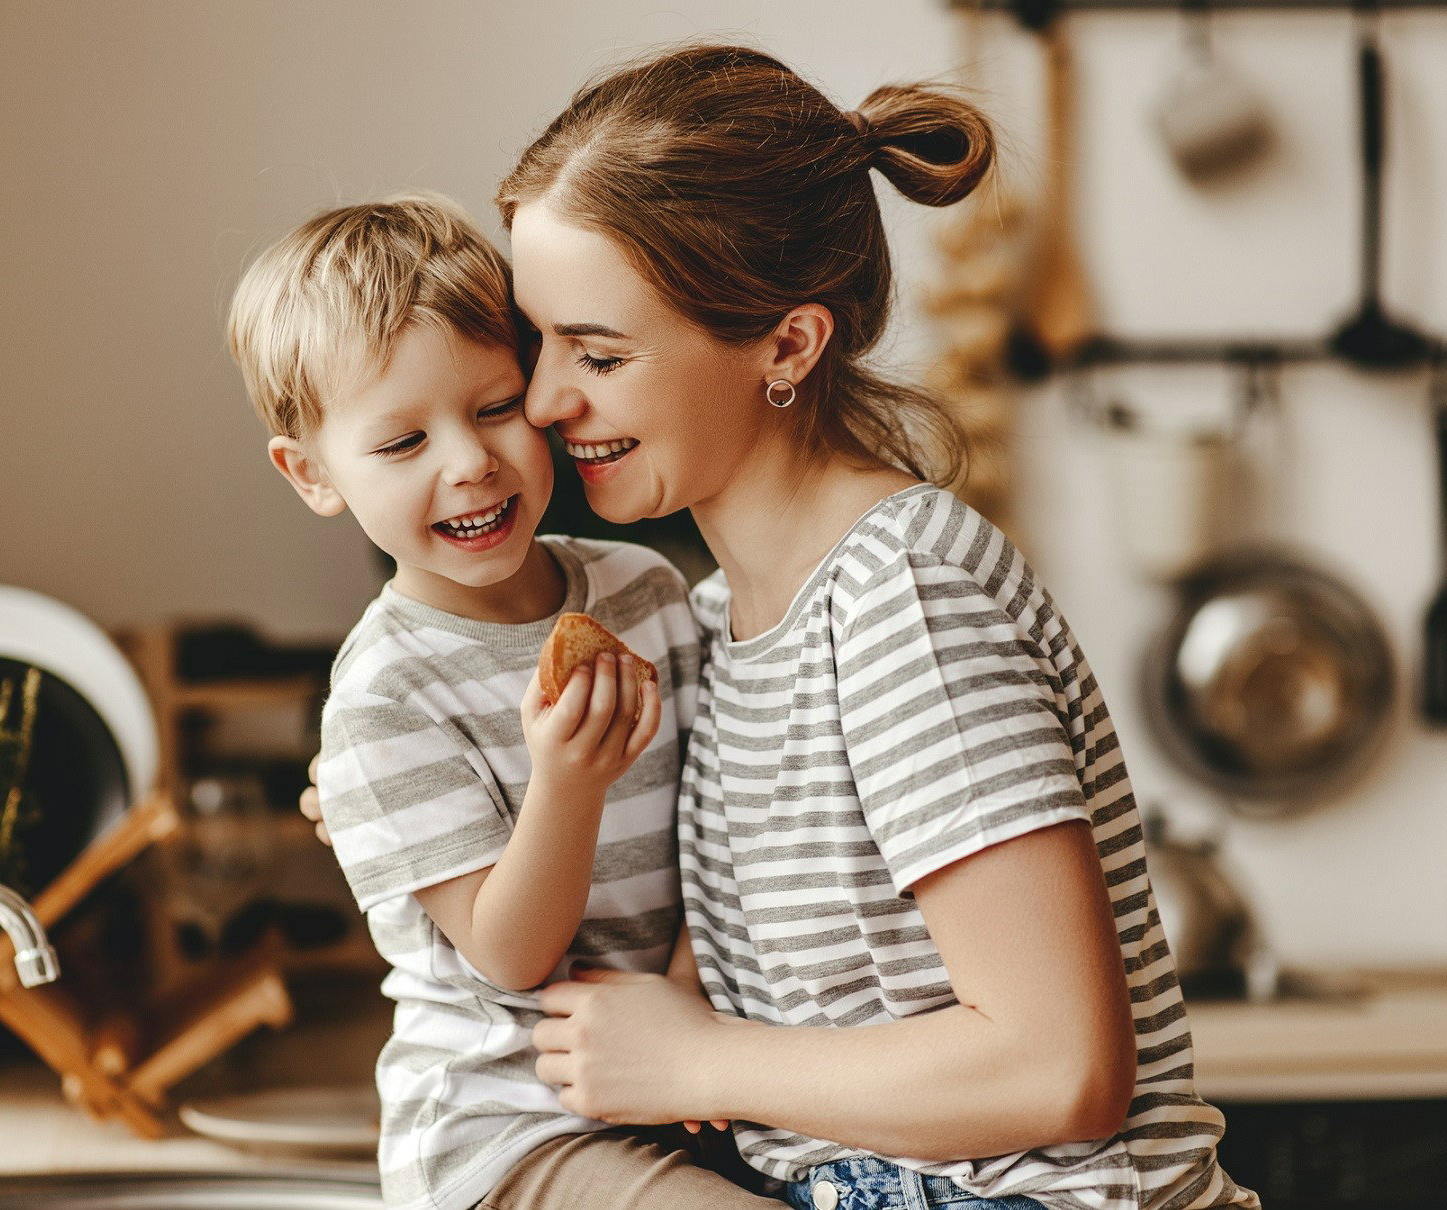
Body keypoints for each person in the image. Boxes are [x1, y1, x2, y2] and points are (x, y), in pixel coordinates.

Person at [301, 46, 1261, 1210]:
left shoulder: (901, 601)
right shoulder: (709, 624)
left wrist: (695, 1060)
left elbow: (1059, 1068)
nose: (545, 401)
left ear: (788, 346)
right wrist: (388, 792)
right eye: (539, 343)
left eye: (599, 353)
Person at [226, 195, 781, 1210]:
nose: (470, 461)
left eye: (494, 407)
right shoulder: (383, 698)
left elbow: (727, 819)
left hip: (685, 1079)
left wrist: (689, 994)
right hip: (510, 1130)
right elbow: (510, 955)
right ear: (312, 474)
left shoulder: (645, 591)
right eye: (403, 443)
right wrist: (568, 783)